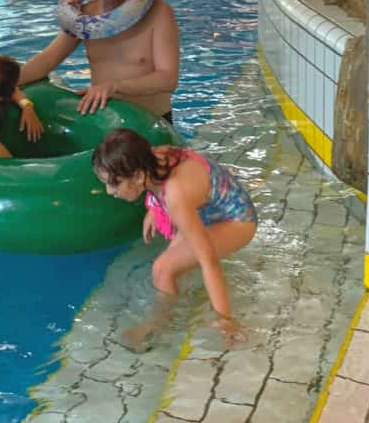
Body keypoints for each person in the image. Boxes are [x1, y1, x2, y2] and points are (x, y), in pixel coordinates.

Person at [92, 128, 258, 349]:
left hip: (237, 219)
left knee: (163, 268)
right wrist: (154, 209)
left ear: (139, 176)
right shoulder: (151, 157)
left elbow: (209, 261)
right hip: (209, 207)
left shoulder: (176, 195)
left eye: (114, 183)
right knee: (170, 263)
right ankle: (169, 311)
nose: (109, 191)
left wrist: (225, 321)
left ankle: (155, 327)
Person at [18, 0, 180, 123]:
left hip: (153, 122)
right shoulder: (85, 18)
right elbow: (48, 59)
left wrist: (114, 86)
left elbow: (168, 79)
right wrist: (5, 84)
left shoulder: (159, 13)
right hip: (106, 121)